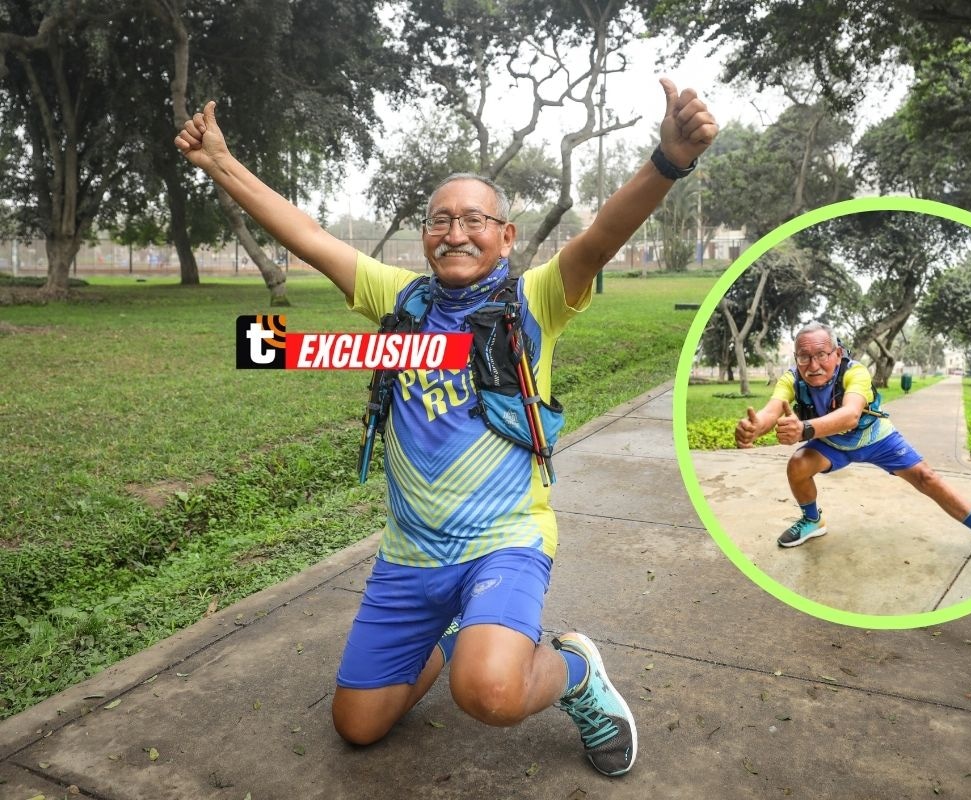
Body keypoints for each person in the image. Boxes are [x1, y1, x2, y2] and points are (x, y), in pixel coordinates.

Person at [175, 79, 717, 777]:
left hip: (505, 542)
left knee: (489, 693)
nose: (455, 233)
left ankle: (576, 671)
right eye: (439, 220)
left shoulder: (535, 300)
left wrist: (667, 162)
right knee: (358, 725)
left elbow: (598, 238)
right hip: (409, 554)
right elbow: (306, 234)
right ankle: (462, 632)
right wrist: (220, 159)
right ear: (424, 233)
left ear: (505, 235)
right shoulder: (396, 300)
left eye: (474, 220)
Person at [734, 321, 971, 565]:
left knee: (927, 477)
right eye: (804, 357)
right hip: (831, 444)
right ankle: (813, 521)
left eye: (822, 354)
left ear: (837, 354)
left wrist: (804, 429)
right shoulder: (791, 379)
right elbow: (771, 411)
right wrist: (753, 428)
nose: (813, 365)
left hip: (875, 438)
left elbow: (851, 415)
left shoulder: (856, 372)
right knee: (797, 465)